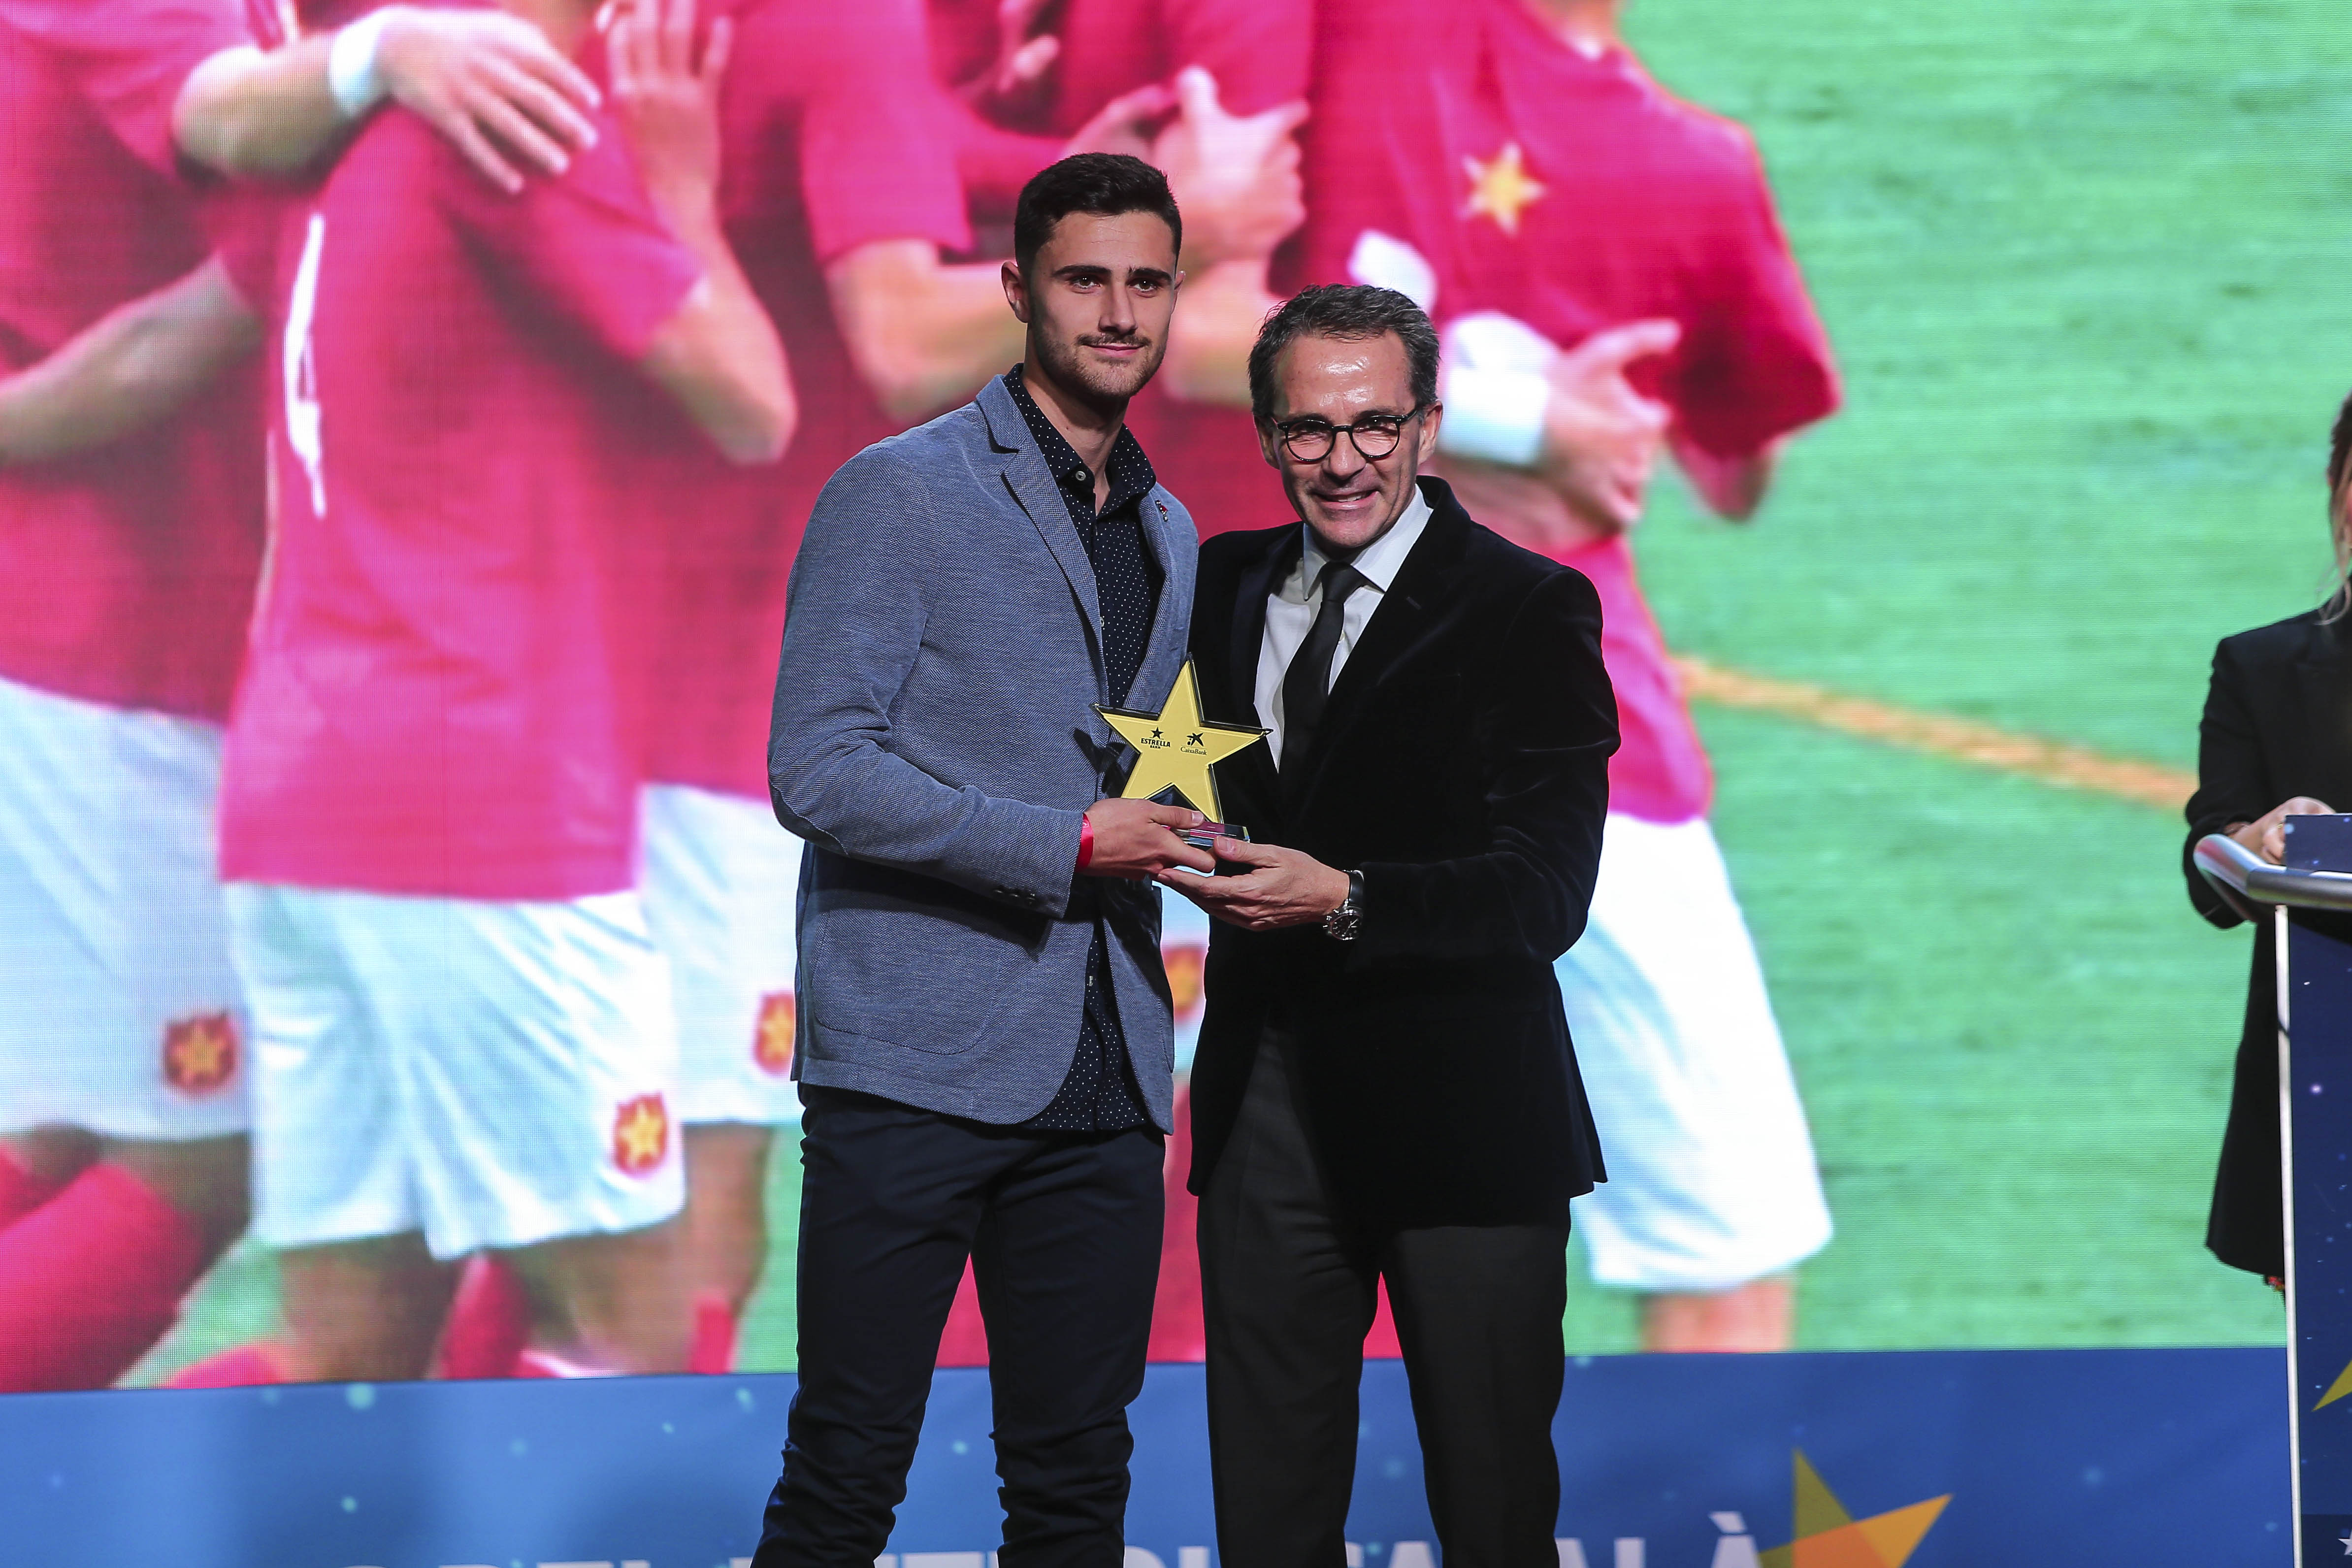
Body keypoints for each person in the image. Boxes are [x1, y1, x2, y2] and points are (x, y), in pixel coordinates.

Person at [0, 0, 606, 1391]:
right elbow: (215, 134)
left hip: (167, 650)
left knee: (77, 1129)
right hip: (116, 659)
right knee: (203, 1155)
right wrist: (379, 72)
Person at [212, 0, 788, 1382]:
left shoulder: (347, 124)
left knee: (347, 1352)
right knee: (638, 1344)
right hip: (476, 805)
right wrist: (685, 195)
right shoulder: (518, 116)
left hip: (302, 794)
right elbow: (752, 404)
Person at [1283, 0, 1842, 1350]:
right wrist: (1582, 419)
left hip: (1300, 723)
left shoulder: (1351, 38)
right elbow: (1735, 463)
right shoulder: (1694, 165)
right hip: (1570, 742)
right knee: (1726, 1231)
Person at [758, 153, 1212, 1564]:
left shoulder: (1171, 530)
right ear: (1018, 290)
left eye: (1147, 283)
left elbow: (1148, 780)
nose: (1119, 313)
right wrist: (1066, 843)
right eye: (1086, 279)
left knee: (1077, 1493)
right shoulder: (898, 490)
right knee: (846, 1478)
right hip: (913, 1067)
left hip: (1109, 1075)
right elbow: (817, 768)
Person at [1171, 283, 1617, 1567]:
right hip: (1264, 1110)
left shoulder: (1528, 606)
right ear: (1268, 434)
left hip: (1465, 1121)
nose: (1343, 458)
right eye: (1309, 428)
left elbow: (1544, 891)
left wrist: (1346, 896)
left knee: (1491, 1510)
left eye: (1375, 424)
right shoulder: (1217, 582)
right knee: (1268, 1516)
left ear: (1427, 426)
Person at [2181, 389, 2352, 1287]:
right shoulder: (2261, 667)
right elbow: (2210, 870)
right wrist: (2259, 836)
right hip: (2327, 1093)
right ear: (2336, 486)